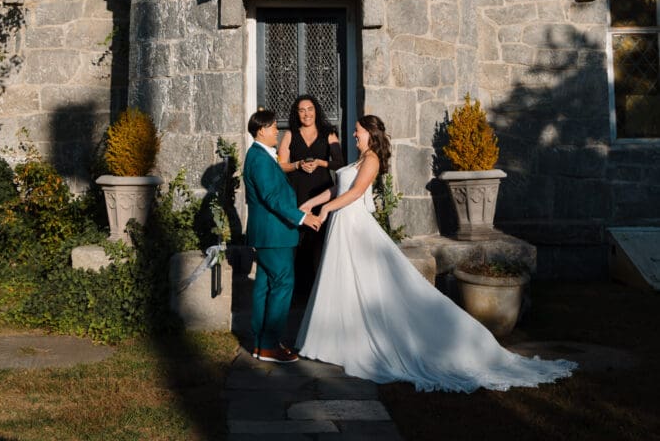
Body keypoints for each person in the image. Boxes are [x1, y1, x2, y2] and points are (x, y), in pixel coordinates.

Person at [296, 114, 577, 392]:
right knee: (346, 283)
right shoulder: (359, 159)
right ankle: (339, 340)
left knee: (372, 286)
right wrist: (311, 202)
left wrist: (326, 210)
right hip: (343, 225)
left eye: (358, 131)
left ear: (370, 133)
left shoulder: (371, 160)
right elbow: (337, 188)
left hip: (354, 227)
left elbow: (356, 192)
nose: (354, 134)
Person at [243, 108, 321, 363]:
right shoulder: (259, 159)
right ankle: (268, 346)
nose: (278, 131)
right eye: (275, 127)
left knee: (265, 286)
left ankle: (261, 343)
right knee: (283, 284)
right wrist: (302, 217)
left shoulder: (261, 156)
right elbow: (271, 197)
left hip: (270, 235)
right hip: (273, 234)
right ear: (262, 130)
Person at [277, 95, 345, 296]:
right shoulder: (290, 135)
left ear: (316, 111)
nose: (306, 113)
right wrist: (297, 164)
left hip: (322, 192)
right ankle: (298, 294)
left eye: (310, 109)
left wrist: (320, 162)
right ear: (296, 114)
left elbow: (340, 163)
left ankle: (320, 293)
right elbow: (280, 165)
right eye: (302, 110)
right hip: (297, 192)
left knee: (319, 242)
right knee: (297, 242)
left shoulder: (329, 133)